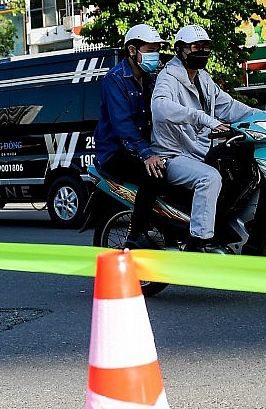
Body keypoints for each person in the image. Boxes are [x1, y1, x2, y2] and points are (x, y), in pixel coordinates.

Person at [151, 24, 255, 252]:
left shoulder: (203, 78)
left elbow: (228, 106)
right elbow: (159, 108)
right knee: (209, 178)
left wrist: (264, 117)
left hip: (197, 153)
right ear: (181, 50)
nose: (202, 51)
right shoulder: (168, 77)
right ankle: (200, 242)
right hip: (172, 156)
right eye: (196, 47)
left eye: (206, 47)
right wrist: (202, 118)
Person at [93, 24, 170, 249]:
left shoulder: (151, 79)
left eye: (156, 50)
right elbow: (122, 124)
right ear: (132, 50)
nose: (154, 55)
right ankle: (136, 235)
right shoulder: (115, 79)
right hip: (115, 152)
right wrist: (147, 155)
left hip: (143, 147)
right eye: (149, 50)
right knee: (153, 174)